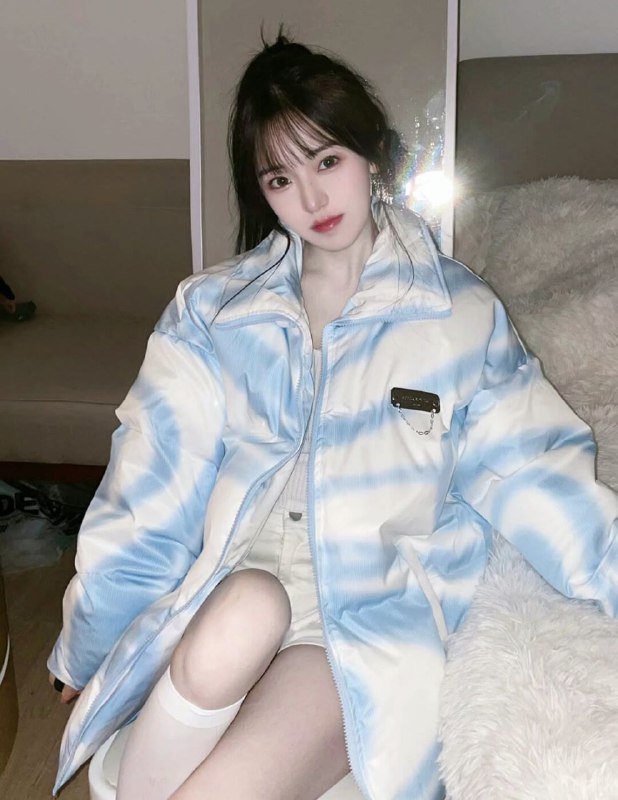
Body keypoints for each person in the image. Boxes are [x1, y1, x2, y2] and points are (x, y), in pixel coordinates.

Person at [48, 33, 617, 800]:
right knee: (250, 604)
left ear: (372, 155)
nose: (312, 201)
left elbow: (537, 476)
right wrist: (84, 649)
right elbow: (149, 495)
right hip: (225, 596)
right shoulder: (213, 313)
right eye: (282, 177)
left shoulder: (457, 316)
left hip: (354, 627)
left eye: (327, 161)